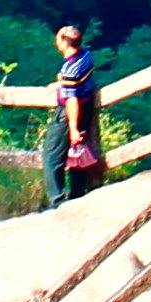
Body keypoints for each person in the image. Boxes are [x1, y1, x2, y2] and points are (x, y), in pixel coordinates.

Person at [46, 23, 103, 204]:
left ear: (65, 43)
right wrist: (61, 82)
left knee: (52, 155)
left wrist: (72, 127)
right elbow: (76, 83)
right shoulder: (85, 56)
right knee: (77, 150)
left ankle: (57, 200)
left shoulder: (69, 69)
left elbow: (71, 100)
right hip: (87, 107)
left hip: (69, 113)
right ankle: (77, 194)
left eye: (59, 36)